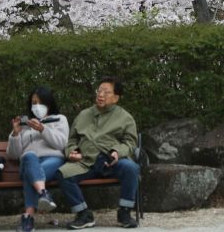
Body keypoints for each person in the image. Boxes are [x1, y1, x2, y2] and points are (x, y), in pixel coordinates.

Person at [56, 76, 140, 229]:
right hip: (85, 161)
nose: (101, 95)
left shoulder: (125, 118)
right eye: (99, 91)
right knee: (63, 173)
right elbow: (72, 140)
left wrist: (117, 152)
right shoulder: (83, 115)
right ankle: (84, 214)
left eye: (106, 92)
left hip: (112, 161)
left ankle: (125, 213)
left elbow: (130, 142)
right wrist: (72, 152)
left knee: (131, 168)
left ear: (116, 97)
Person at [7, 86, 69, 232]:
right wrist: (15, 135)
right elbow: (14, 155)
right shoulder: (25, 124)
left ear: (49, 103)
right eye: (33, 103)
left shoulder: (60, 119)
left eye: (40, 102)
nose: (36, 106)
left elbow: (62, 144)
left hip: (52, 160)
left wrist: (43, 129)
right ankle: (43, 194)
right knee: (29, 156)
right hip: (28, 162)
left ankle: (28, 218)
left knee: (31, 176)